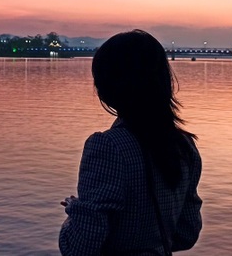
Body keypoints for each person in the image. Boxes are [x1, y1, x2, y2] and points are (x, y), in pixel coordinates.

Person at [59, 29, 202, 255]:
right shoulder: (185, 147)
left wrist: (76, 211)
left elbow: (79, 248)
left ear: (106, 89)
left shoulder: (108, 146)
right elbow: (186, 234)